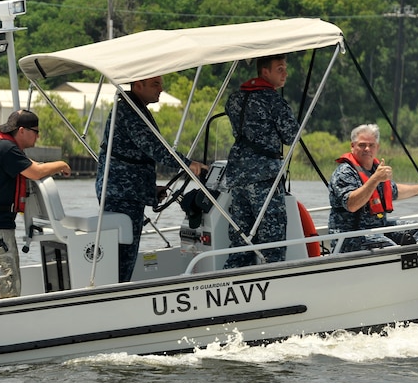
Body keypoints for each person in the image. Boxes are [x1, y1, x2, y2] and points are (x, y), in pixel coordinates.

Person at [95, 76, 206, 282]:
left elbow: (135, 155)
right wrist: (188, 164)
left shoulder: (132, 108)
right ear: (138, 86)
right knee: (123, 256)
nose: (161, 89)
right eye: (156, 84)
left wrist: (149, 188)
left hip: (125, 192)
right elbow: (153, 147)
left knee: (124, 253)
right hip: (122, 196)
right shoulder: (129, 111)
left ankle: (118, 292)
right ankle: (115, 297)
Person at [0, 110, 72, 299]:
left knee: (6, 285)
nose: (38, 136)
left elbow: (32, 165)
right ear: (22, 130)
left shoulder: (5, 147)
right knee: (5, 290)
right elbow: (35, 172)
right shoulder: (7, 149)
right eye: (35, 131)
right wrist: (61, 164)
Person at [223, 54, 301, 269]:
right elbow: (291, 136)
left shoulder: (234, 99)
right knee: (272, 240)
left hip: (237, 174)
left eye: (285, 69)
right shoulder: (273, 100)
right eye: (279, 69)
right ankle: (273, 282)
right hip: (264, 175)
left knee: (241, 239)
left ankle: (233, 279)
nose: (285, 73)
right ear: (264, 72)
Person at [328, 124, 418, 253]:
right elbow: (352, 204)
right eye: (362, 145)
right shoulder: (344, 172)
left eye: (371, 145)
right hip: (349, 236)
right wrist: (375, 179)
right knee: (388, 246)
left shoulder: (375, 170)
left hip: (378, 228)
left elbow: (394, 191)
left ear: (377, 147)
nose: (367, 149)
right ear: (352, 146)